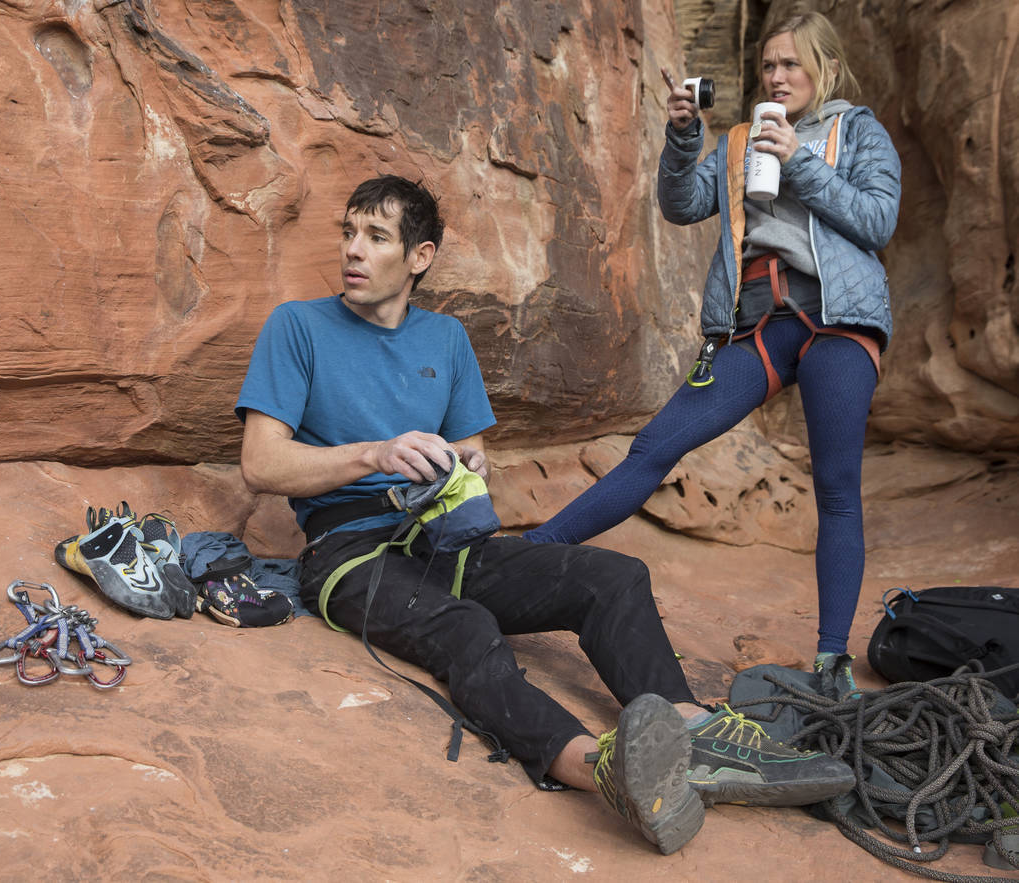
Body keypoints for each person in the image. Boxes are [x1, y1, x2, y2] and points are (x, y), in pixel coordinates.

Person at [236, 174, 853, 854]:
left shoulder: (444, 339)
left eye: (376, 236)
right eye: (348, 232)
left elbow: (473, 450)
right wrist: (375, 454)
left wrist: (465, 467)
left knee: (612, 577)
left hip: (446, 538)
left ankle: (694, 736)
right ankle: (605, 771)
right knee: (467, 629)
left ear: (420, 257)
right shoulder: (298, 327)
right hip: (351, 553)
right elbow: (261, 464)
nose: (353, 249)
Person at [524, 11, 902, 699]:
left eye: (791, 64)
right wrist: (683, 137)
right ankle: (530, 554)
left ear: (826, 68)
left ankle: (830, 664)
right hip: (759, 323)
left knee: (838, 489)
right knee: (655, 445)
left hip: (838, 319)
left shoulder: (857, 130)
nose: (777, 76)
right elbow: (681, 204)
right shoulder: (738, 142)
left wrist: (800, 163)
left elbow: (879, 220)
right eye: (769, 65)